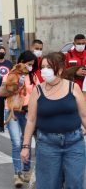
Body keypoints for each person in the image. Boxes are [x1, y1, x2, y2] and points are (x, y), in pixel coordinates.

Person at [21, 52, 86, 189]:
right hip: (47, 144)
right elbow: (31, 120)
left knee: (75, 183)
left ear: (60, 69)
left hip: (74, 143)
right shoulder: (37, 91)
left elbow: (84, 115)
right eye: (43, 67)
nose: (44, 70)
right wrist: (25, 147)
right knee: (48, 185)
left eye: (49, 67)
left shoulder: (73, 87)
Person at [0, 50, 39, 187]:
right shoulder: (11, 74)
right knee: (16, 143)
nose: (30, 67)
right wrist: (16, 87)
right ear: (21, 62)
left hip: (28, 112)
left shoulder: (33, 76)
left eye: (32, 65)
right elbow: (1, 93)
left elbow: (39, 93)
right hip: (13, 111)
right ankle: (18, 174)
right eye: (28, 64)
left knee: (25, 142)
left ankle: (26, 170)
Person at [0, 46, 13, 132]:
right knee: (0, 108)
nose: (2, 53)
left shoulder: (9, 63)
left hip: (8, 88)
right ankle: (1, 125)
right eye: (0, 52)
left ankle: (10, 123)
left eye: (3, 52)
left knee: (9, 106)